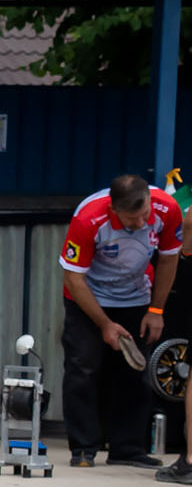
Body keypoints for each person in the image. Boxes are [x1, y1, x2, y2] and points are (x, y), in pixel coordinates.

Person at [58, 173, 179, 468]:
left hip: (136, 295)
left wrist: (157, 310)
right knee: (83, 367)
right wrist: (104, 325)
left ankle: (127, 448)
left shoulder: (167, 209)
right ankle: (84, 447)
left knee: (134, 370)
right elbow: (75, 279)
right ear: (113, 210)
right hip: (88, 297)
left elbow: (168, 258)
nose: (139, 224)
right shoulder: (88, 219)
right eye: (131, 219)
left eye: (144, 216)